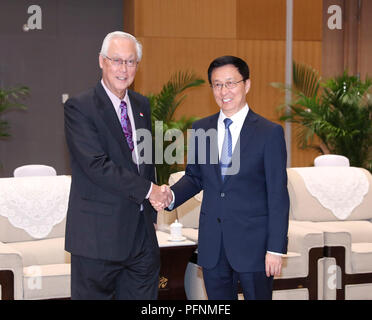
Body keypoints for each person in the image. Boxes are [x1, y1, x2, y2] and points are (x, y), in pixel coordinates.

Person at [152, 55, 289, 300]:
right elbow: (195, 177)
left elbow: (278, 195)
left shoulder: (269, 133)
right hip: (213, 247)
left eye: (231, 83)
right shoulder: (201, 129)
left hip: (255, 248)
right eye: (217, 84)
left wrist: (275, 249)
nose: (224, 91)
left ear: (246, 85)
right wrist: (170, 195)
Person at [64, 31, 170, 300]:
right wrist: (150, 190)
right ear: (102, 61)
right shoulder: (80, 107)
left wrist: (154, 208)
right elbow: (97, 165)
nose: (124, 69)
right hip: (97, 241)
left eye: (131, 62)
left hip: (141, 241)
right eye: (117, 60)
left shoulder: (142, 105)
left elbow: (146, 163)